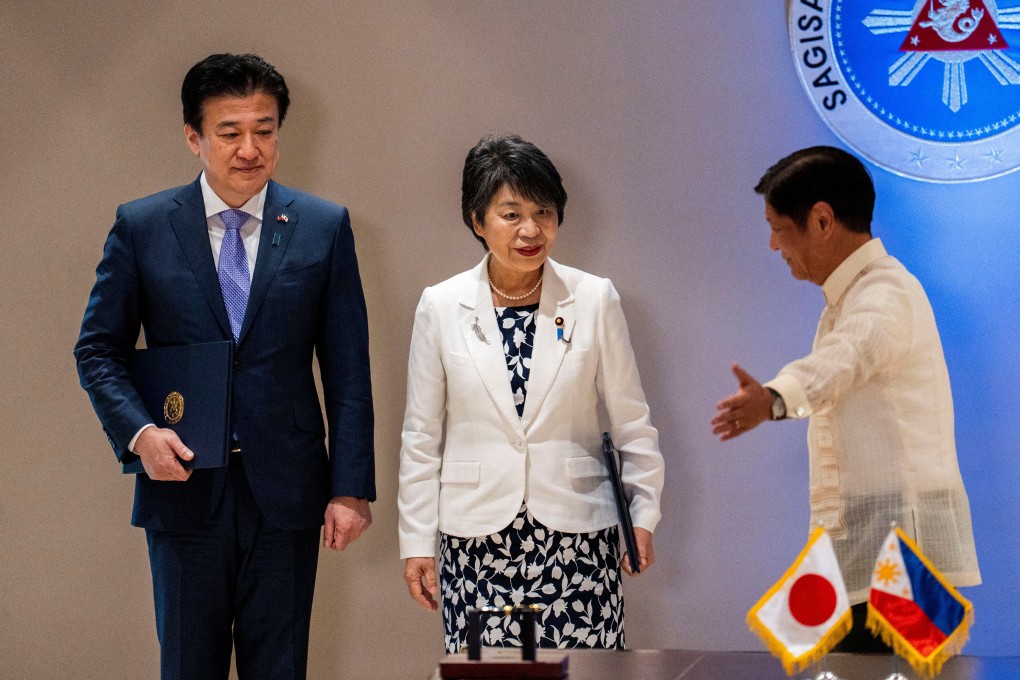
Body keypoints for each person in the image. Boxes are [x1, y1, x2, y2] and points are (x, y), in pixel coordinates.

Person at [74, 53, 375, 679]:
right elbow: (98, 350)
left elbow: (347, 370)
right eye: (230, 132)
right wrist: (139, 434)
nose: (249, 148)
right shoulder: (144, 226)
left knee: (282, 669)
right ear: (194, 137)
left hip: (287, 495)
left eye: (264, 130)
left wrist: (349, 486)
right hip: (184, 489)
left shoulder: (322, 227)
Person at [398, 133, 665, 653]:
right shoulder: (441, 305)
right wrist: (416, 541)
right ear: (477, 221)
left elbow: (633, 421)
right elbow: (421, 436)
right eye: (510, 214)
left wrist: (643, 515)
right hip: (477, 541)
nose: (530, 230)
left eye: (544, 212)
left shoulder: (594, 299)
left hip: (578, 536)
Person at [711, 146, 980, 652]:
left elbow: (846, 357)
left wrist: (773, 398)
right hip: (869, 546)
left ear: (821, 220)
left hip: (901, 556)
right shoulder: (855, 295)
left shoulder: (885, 293)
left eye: (777, 227)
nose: (772, 244)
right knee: (826, 660)